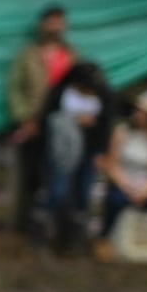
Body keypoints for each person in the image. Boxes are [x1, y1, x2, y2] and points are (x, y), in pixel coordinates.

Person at [8, 4, 78, 234]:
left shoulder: (71, 55)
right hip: (34, 126)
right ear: (41, 25)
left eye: (60, 22)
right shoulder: (27, 55)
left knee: (61, 177)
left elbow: (81, 88)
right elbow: (15, 89)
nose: (56, 26)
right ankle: (29, 227)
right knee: (33, 177)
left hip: (64, 125)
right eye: (51, 21)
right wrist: (25, 118)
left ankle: (59, 229)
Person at [34, 61, 113, 255]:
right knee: (57, 190)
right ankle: (40, 234)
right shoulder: (60, 92)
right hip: (61, 151)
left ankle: (74, 241)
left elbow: (107, 124)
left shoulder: (103, 95)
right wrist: (74, 120)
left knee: (83, 194)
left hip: (88, 151)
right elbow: (46, 121)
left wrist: (100, 151)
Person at [95, 89, 147, 257]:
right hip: (124, 183)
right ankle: (103, 240)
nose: (137, 114)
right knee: (114, 200)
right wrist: (128, 187)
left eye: (142, 112)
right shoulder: (122, 132)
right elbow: (112, 164)